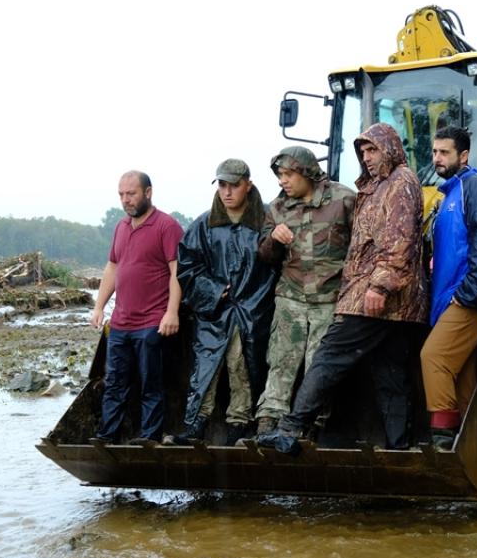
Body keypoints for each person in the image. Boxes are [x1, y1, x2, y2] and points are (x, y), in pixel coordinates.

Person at [258, 123, 427, 454]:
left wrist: (379, 287)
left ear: (391, 148)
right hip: (386, 299)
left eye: (373, 150)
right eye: (363, 152)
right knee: (390, 375)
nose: (367, 158)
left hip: (374, 295)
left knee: (328, 356)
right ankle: (398, 450)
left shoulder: (400, 183)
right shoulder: (377, 186)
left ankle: (291, 429)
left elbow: (399, 241)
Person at [170, 159, 277, 445]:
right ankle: (195, 424)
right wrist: (215, 291)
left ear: (248, 185)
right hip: (214, 312)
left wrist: (259, 302)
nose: (227, 192)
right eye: (222, 185)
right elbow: (187, 266)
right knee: (205, 367)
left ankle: (238, 425)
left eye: (234, 185)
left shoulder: (266, 221)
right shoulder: (204, 225)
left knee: (242, 366)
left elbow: (279, 266)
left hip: (253, 310)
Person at [253, 146, 356, 436]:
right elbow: (265, 256)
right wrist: (273, 239)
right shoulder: (277, 208)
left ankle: (312, 426)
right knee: (281, 361)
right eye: (279, 175)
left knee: (319, 366)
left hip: (330, 298)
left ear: (307, 172)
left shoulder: (344, 199)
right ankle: (268, 422)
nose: (282, 181)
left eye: (288, 174)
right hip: (291, 297)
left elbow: (362, 246)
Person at [419, 126, 477, 450]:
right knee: (465, 377)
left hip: (472, 298)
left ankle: (444, 440)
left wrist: (468, 294)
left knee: (435, 357)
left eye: (444, 152)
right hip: (452, 297)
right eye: (434, 152)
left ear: (464, 155)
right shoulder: (448, 194)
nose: (437, 158)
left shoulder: (475, 187)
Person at [90, 170, 183, 445]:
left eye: (131, 193)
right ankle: (107, 436)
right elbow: (112, 267)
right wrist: (99, 307)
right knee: (114, 383)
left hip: (152, 321)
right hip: (120, 323)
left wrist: (172, 312)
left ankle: (149, 437)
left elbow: (177, 271)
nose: (125, 200)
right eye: (121, 194)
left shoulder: (167, 226)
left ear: (148, 193)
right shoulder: (120, 227)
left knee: (150, 382)